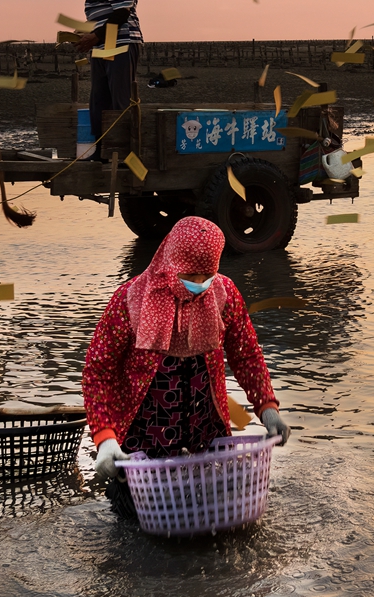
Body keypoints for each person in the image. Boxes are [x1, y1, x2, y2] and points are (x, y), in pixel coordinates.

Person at [81, 217, 289, 513]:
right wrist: (105, 437)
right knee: (138, 526)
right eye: (190, 275)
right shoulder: (129, 301)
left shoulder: (224, 295)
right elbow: (98, 373)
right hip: (142, 439)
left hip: (206, 436)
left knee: (213, 521)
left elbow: (246, 355)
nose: (200, 283)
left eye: (208, 274)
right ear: (171, 262)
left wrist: (267, 408)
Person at [71, 0, 142, 160]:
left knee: (119, 100)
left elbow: (123, 11)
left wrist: (95, 36)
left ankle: (121, 153)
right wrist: (92, 35)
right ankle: (103, 151)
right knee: (100, 98)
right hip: (107, 42)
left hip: (120, 42)